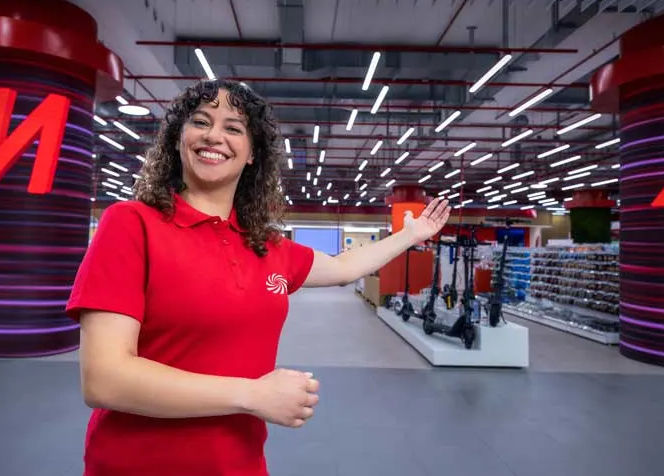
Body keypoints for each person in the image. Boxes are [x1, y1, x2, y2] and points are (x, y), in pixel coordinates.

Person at [65, 79, 450, 476]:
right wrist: (251, 394)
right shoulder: (131, 225)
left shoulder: (265, 246)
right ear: (179, 138)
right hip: (139, 464)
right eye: (200, 122)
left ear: (252, 155)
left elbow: (344, 267)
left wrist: (410, 235)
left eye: (233, 127)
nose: (214, 135)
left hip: (240, 464)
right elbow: (105, 379)